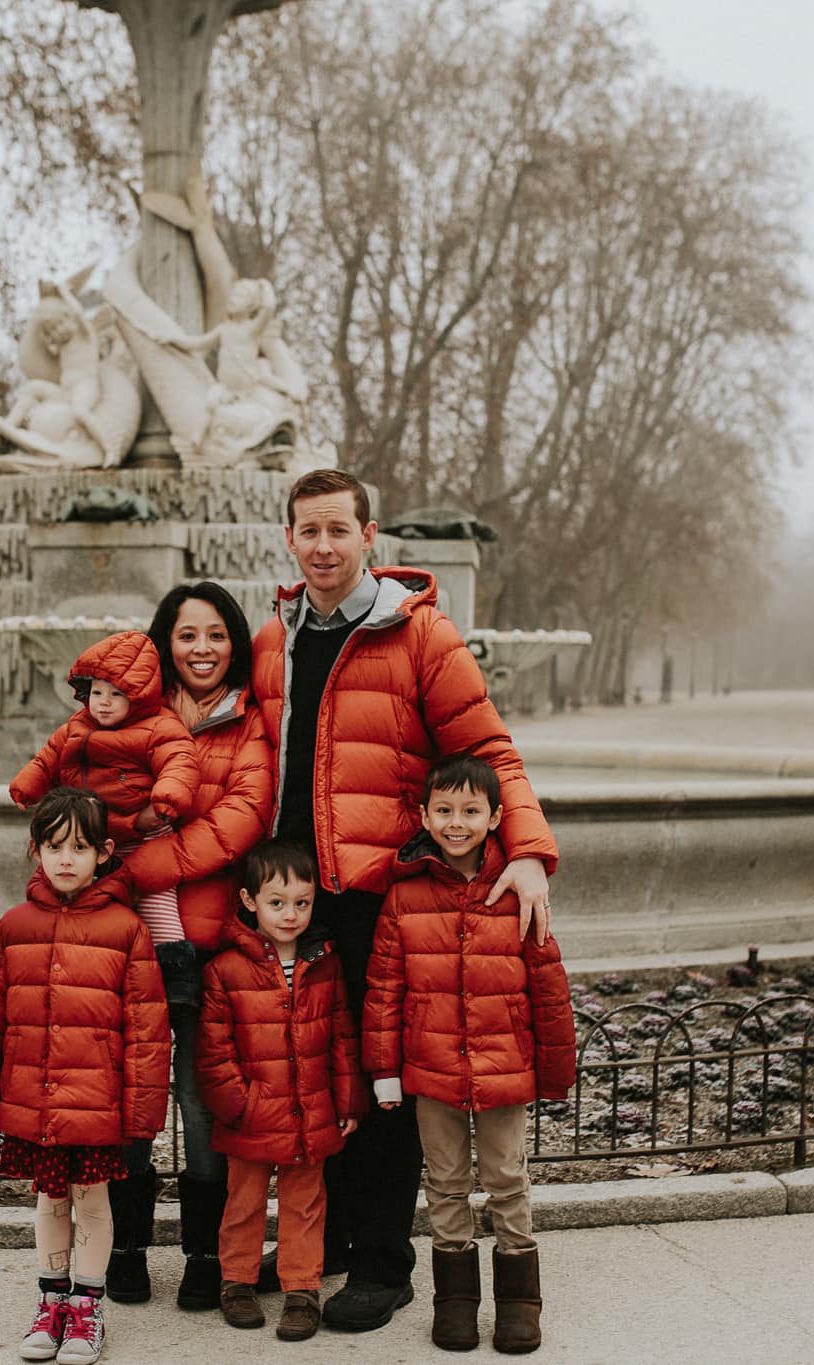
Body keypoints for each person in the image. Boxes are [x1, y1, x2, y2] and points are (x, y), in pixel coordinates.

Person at [250, 467, 559, 1333]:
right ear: (288, 538)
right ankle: (335, 1237)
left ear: (369, 535)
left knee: (378, 1080)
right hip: (291, 899)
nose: (322, 546)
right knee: (314, 1074)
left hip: (378, 896)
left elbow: (490, 750)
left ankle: (386, 1265)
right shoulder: (273, 638)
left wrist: (528, 850)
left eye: (337, 531)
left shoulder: (420, 635)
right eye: (307, 531)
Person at [364, 754, 576, 1353]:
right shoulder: (404, 899)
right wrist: (384, 1070)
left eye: (471, 811)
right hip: (432, 1071)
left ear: (495, 817)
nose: (457, 822)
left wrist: (556, 1070)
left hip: (504, 1068)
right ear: (424, 815)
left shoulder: (518, 891)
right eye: (445, 810)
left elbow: (548, 985)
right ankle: (454, 1299)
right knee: (447, 1182)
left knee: (507, 1178)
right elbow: (384, 992)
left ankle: (519, 1301)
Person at [105, 583, 275, 1308]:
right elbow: (84, 809)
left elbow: (240, 821)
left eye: (215, 634)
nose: (202, 648)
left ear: (234, 642)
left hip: (209, 952)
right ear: (163, 642)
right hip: (128, 950)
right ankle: (125, 1248)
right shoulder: (120, 717)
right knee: (130, 1098)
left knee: (206, 1106)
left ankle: (206, 1255)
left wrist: (134, 855)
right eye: (186, 635)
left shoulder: (252, 726)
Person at [0, 787, 171, 1365]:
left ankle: (87, 1306)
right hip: (33, 1097)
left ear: (104, 852)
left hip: (95, 1102)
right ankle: (50, 1302)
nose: (66, 858)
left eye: (79, 847)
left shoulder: (125, 929)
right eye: (54, 846)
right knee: (51, 1200)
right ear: (36, 851)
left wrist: (142, 1112)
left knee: (93, 1201)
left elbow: (147, 1031)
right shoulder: (13, 927)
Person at [195, 840, 365, 1342]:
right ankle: (238, 1282)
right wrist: (237, 1105)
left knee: (305, 1203)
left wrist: (348, 1100)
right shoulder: (224, 969)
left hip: (310, 1109)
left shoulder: (324, 964)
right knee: (243, 1202)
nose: (290, 915)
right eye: (276, 902)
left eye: (302, 903)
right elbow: (214, 1049)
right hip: (250, 1113)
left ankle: (301, 1288)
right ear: (250, 901)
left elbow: (341, 1037)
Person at [10, 630, 201, 939]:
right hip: (91, 838)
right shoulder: (77, 724)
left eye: (116, 695)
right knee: (88, 910)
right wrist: (27, 786)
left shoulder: (160, 726)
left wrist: (168, 797)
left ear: (139, 697)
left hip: (145, 838)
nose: (104, 704)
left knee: (159, 911)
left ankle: (173, 972)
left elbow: (179, 760)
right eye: (97, 693)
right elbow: (49, 757)